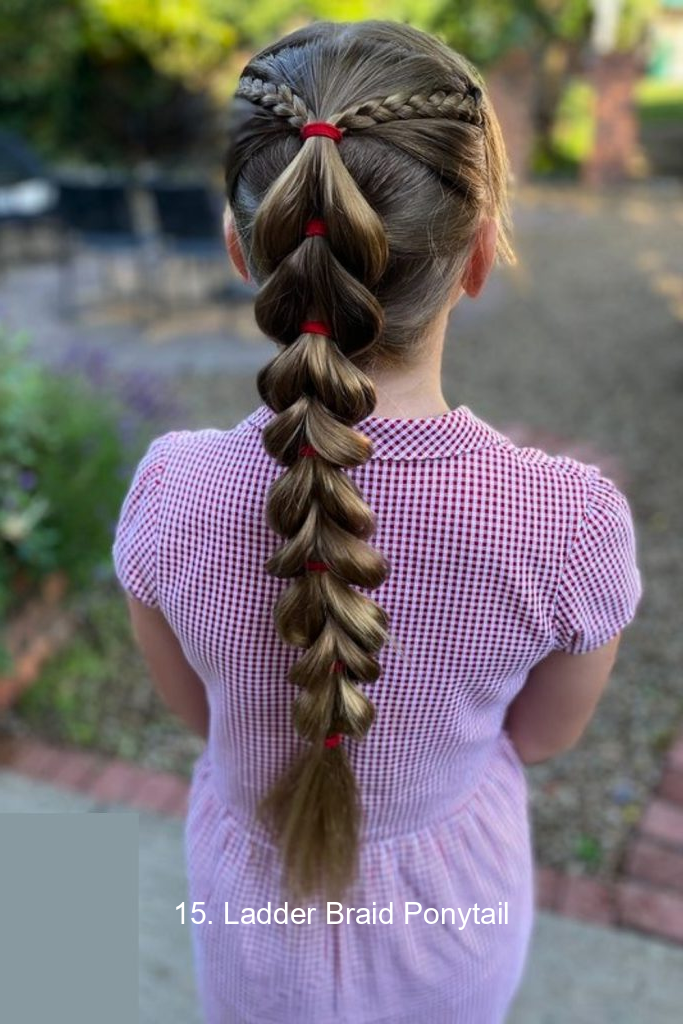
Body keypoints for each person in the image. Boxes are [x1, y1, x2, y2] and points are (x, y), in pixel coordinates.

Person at [112, 18, 644, 1024]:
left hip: (247, 918)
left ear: (243, 250)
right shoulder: (568, 525)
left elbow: (200, 715)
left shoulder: (168, 492)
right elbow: (538, 736)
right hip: (453, 919)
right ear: (480, 251)